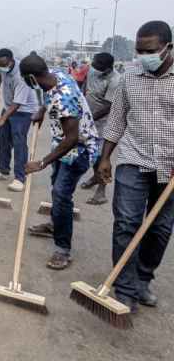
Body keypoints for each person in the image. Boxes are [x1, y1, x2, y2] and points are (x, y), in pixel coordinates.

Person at [98, 20, 174, 311]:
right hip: (133, 157)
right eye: (139, 51)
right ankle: (124, 286)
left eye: (150, 51)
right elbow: (117, 119)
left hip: (169, 165)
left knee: (160, 227)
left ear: (168, 47)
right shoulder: (130, 78)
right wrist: (105, 157)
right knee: (127, 222)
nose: (144, 56)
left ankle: (142, 280)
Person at [21, 53, 99, 270]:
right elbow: (49, 97)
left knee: (61, 194)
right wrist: (41, 110)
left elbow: (72, 139)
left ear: (32, 78)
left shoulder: (64, 98)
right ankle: (55, 224)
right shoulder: (54, 76)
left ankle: (63, 249)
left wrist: (42, 163)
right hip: (61, 144)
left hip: (78, 149)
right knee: (56, 187)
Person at [0, 48, 39, 192]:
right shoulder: (2, 66)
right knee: (3, 139)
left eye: (4, 65)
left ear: (11, 61)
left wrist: (2, 119)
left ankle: (20, 178)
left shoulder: (21, 76)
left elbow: (17, 103)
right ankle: (3, 171)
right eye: (0, 65)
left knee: (18, 141)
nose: (2, 68)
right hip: (8, 106)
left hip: (24, 111)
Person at [79, 52, 121, 205]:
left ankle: (101, 191)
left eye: (97, 66)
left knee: (102, 158)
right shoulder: (92, 71)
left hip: (103, 123)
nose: (93, 68)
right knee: (91, 154)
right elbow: (84, 88)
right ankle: (94, 178)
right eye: (93, 65)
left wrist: (90, 119)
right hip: (88, 118)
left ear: (107, 68)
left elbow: (109, 106)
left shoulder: (115, 80)